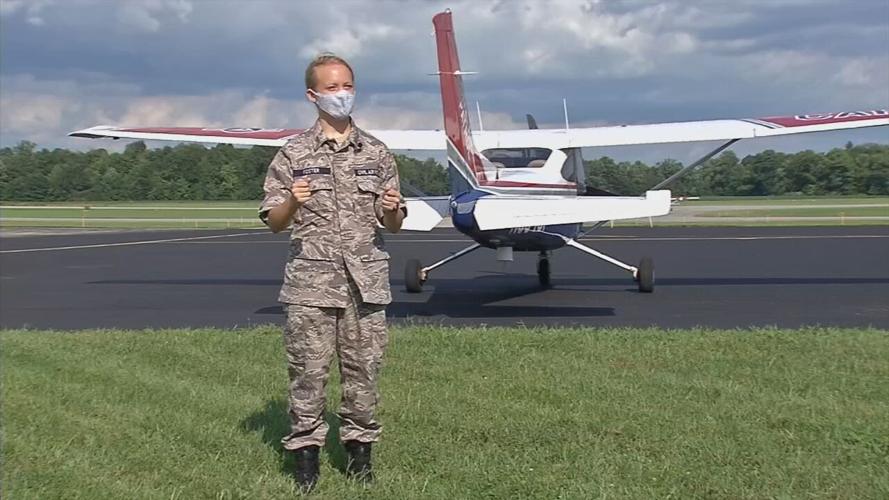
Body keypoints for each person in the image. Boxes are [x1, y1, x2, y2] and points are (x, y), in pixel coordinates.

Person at [258, 52, 406, 492]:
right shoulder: (293, 154)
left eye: (347, 86)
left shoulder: (376, 152)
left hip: (366, 283)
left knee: (363, 374)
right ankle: (305, 461)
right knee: (308, 373)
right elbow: (273, 221)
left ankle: (361, 458)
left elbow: (393, 224)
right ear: (313, 95)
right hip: (312, 284)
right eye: (332, 87)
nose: (342, 94)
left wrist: (392, 209)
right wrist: (293, 201)